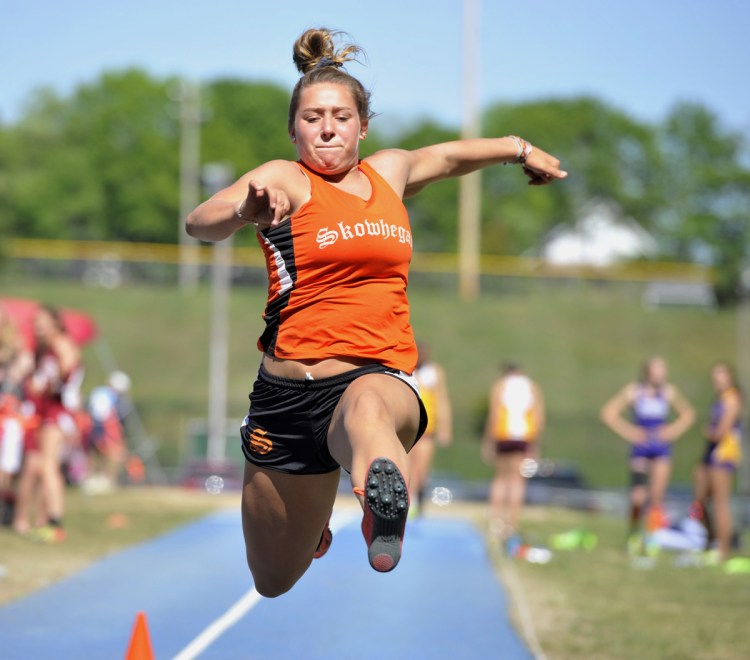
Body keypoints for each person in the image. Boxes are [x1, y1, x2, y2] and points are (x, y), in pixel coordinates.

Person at [186, 27, 566, 597]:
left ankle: (380, 504)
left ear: (363, 126)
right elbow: (200, 221)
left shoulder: (388, 172)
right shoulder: (285, 178)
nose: (327, 127)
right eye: (312, 118)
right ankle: (312, 531)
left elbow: (449, 156)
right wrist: (245, 206)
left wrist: (519, 149)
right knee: (271, 579)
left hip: (375, 377)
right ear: (294, 130)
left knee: (365, 409)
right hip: (285, 397)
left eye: (341, 116)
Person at [600, 356, 695, 539]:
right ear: (647, 372)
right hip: (641, 449)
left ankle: (653, 538)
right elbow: (608, 413)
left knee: (656, 497)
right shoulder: (634, 391)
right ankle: (634, 533)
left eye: (663, 369)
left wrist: (672, 431)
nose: (660, 374)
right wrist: (630, 432)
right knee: (638, 497)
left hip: (661, 449)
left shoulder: (668, 392)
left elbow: (688, 414)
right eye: (657, 369)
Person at [13, 305, 84, 542]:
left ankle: (54, 521)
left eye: (43, 322)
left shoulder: (61, 343)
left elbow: (68, 368)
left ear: (55, 322)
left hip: (58, 410)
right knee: (45, 466)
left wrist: (49, 386)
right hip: (49, 410)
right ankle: (47, 520)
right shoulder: (44, 349)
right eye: (36, 322)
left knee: (48, 465)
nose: (38, 327)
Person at [482, 363, 545, 543]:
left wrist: (489, 440)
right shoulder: (531, 386)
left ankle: (496, 521)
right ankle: (512, 523)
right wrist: (536, 442)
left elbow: (494, 414)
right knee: (517, 480)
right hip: (524, 436)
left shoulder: (500, 386)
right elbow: (538, 416)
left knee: (501, 478)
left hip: (503, 434)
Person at [690, 361, 743, 562]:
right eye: (715, 375)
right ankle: (708, 539)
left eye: (721, 375)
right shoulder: (719, 399)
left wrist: (709, 432)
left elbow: (721, 431)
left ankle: (723, 549)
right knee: (699, 502)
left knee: (720, 502)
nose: (717, 379)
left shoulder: (732, 399)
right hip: (709, 454)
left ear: (729, 377)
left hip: (724, 455)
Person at [409, 341, 452, 516]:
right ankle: (407, 500)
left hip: (427, 429)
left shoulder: (434, 373)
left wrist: (445, 427)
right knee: (407, 466)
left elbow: (442, 401)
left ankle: (417, 502)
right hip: (409, 428)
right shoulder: (406, 370)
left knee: (421, 470)